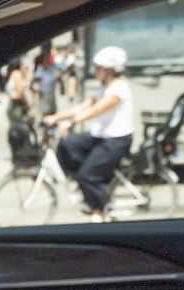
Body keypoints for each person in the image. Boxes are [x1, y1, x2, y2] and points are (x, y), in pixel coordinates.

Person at [43, 45, 135, 222]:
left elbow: (96, 110)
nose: (95, 71)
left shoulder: (118, 89)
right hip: (101, 136)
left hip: (115, 140)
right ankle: (85, 187)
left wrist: (71, 122)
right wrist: (55, 117)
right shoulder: (103, 87)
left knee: (88, 175)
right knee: (67, 144)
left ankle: (101, 209)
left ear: (109, 70)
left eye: (98, 68)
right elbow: (83, 106)